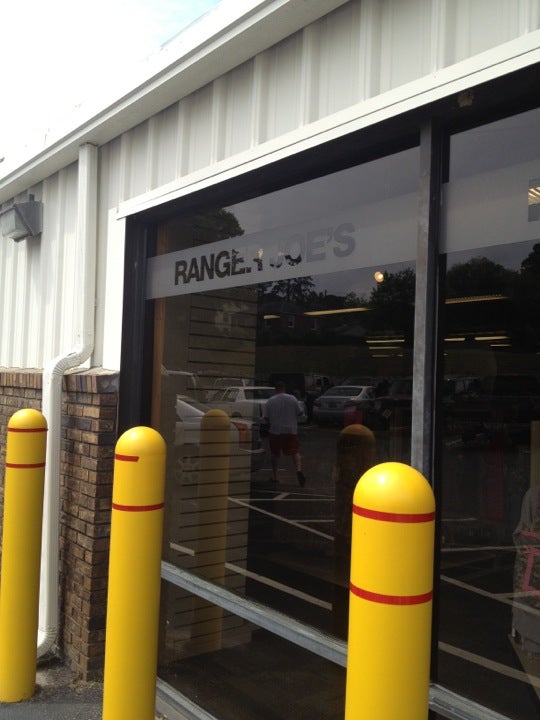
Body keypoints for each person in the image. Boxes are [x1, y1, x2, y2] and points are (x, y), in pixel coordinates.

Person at [263, 381, 306, 486]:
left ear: (275, 389)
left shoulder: (270, 401)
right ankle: (298, 470)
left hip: (275, 431)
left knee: (275, 454)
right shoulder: (292, 398)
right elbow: (300, 412)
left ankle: (276, 476)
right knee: (295, 452)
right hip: (290, 430)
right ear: (284, 388)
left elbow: (266, 417)